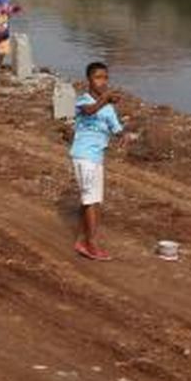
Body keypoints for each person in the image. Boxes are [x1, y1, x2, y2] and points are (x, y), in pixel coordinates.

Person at [70, 61, 129, 261]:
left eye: (105, 78)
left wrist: (123, 136)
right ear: (89, 80)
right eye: (98, 77)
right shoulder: (83, 101)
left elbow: (116, 128)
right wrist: (106, 98)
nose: (102, 81)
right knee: (90, 200)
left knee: (93, 201)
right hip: (83, 155)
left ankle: (82, 239)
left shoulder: (108, 109)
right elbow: (89, 111)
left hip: (97, 157)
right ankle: (91, 245)